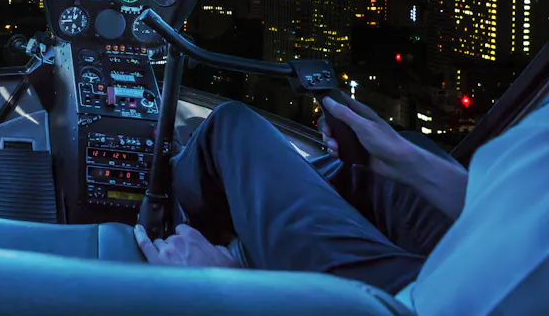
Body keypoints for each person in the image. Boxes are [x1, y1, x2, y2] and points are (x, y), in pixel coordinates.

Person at [133, 95, 549, 314]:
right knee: (381, 163)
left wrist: (229, 290)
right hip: (480, 251)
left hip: (405, 302)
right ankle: (262, 238)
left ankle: (180, 228)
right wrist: (401, 160)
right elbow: (517, 205)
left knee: (231, 126)